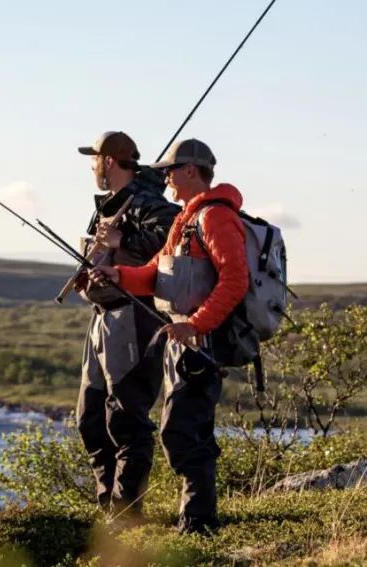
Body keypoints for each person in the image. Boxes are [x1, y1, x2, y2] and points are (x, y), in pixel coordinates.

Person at [88, 138, 249, 535]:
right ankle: (193, 521)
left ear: (191, 171)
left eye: (170, 172)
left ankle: (199, 524)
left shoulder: (215, 218)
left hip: (201, 342)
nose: (163, 179)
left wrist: (196, 325)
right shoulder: (185, 220)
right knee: (181, 430)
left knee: (183, 431)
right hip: (184, 340)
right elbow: (154, 276)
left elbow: (235, 279)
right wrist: (118, 275)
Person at [73, 131, 180, 520]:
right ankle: (110, 509)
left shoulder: (147, 202)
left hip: (134, 316)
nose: (92, 168)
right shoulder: (108, 204)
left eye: (94, 160)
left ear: (109, 162)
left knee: (126, 416)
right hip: (103, 318)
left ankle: (127, 514)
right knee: (89, 417)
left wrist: (124, 237)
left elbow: (173, 237)